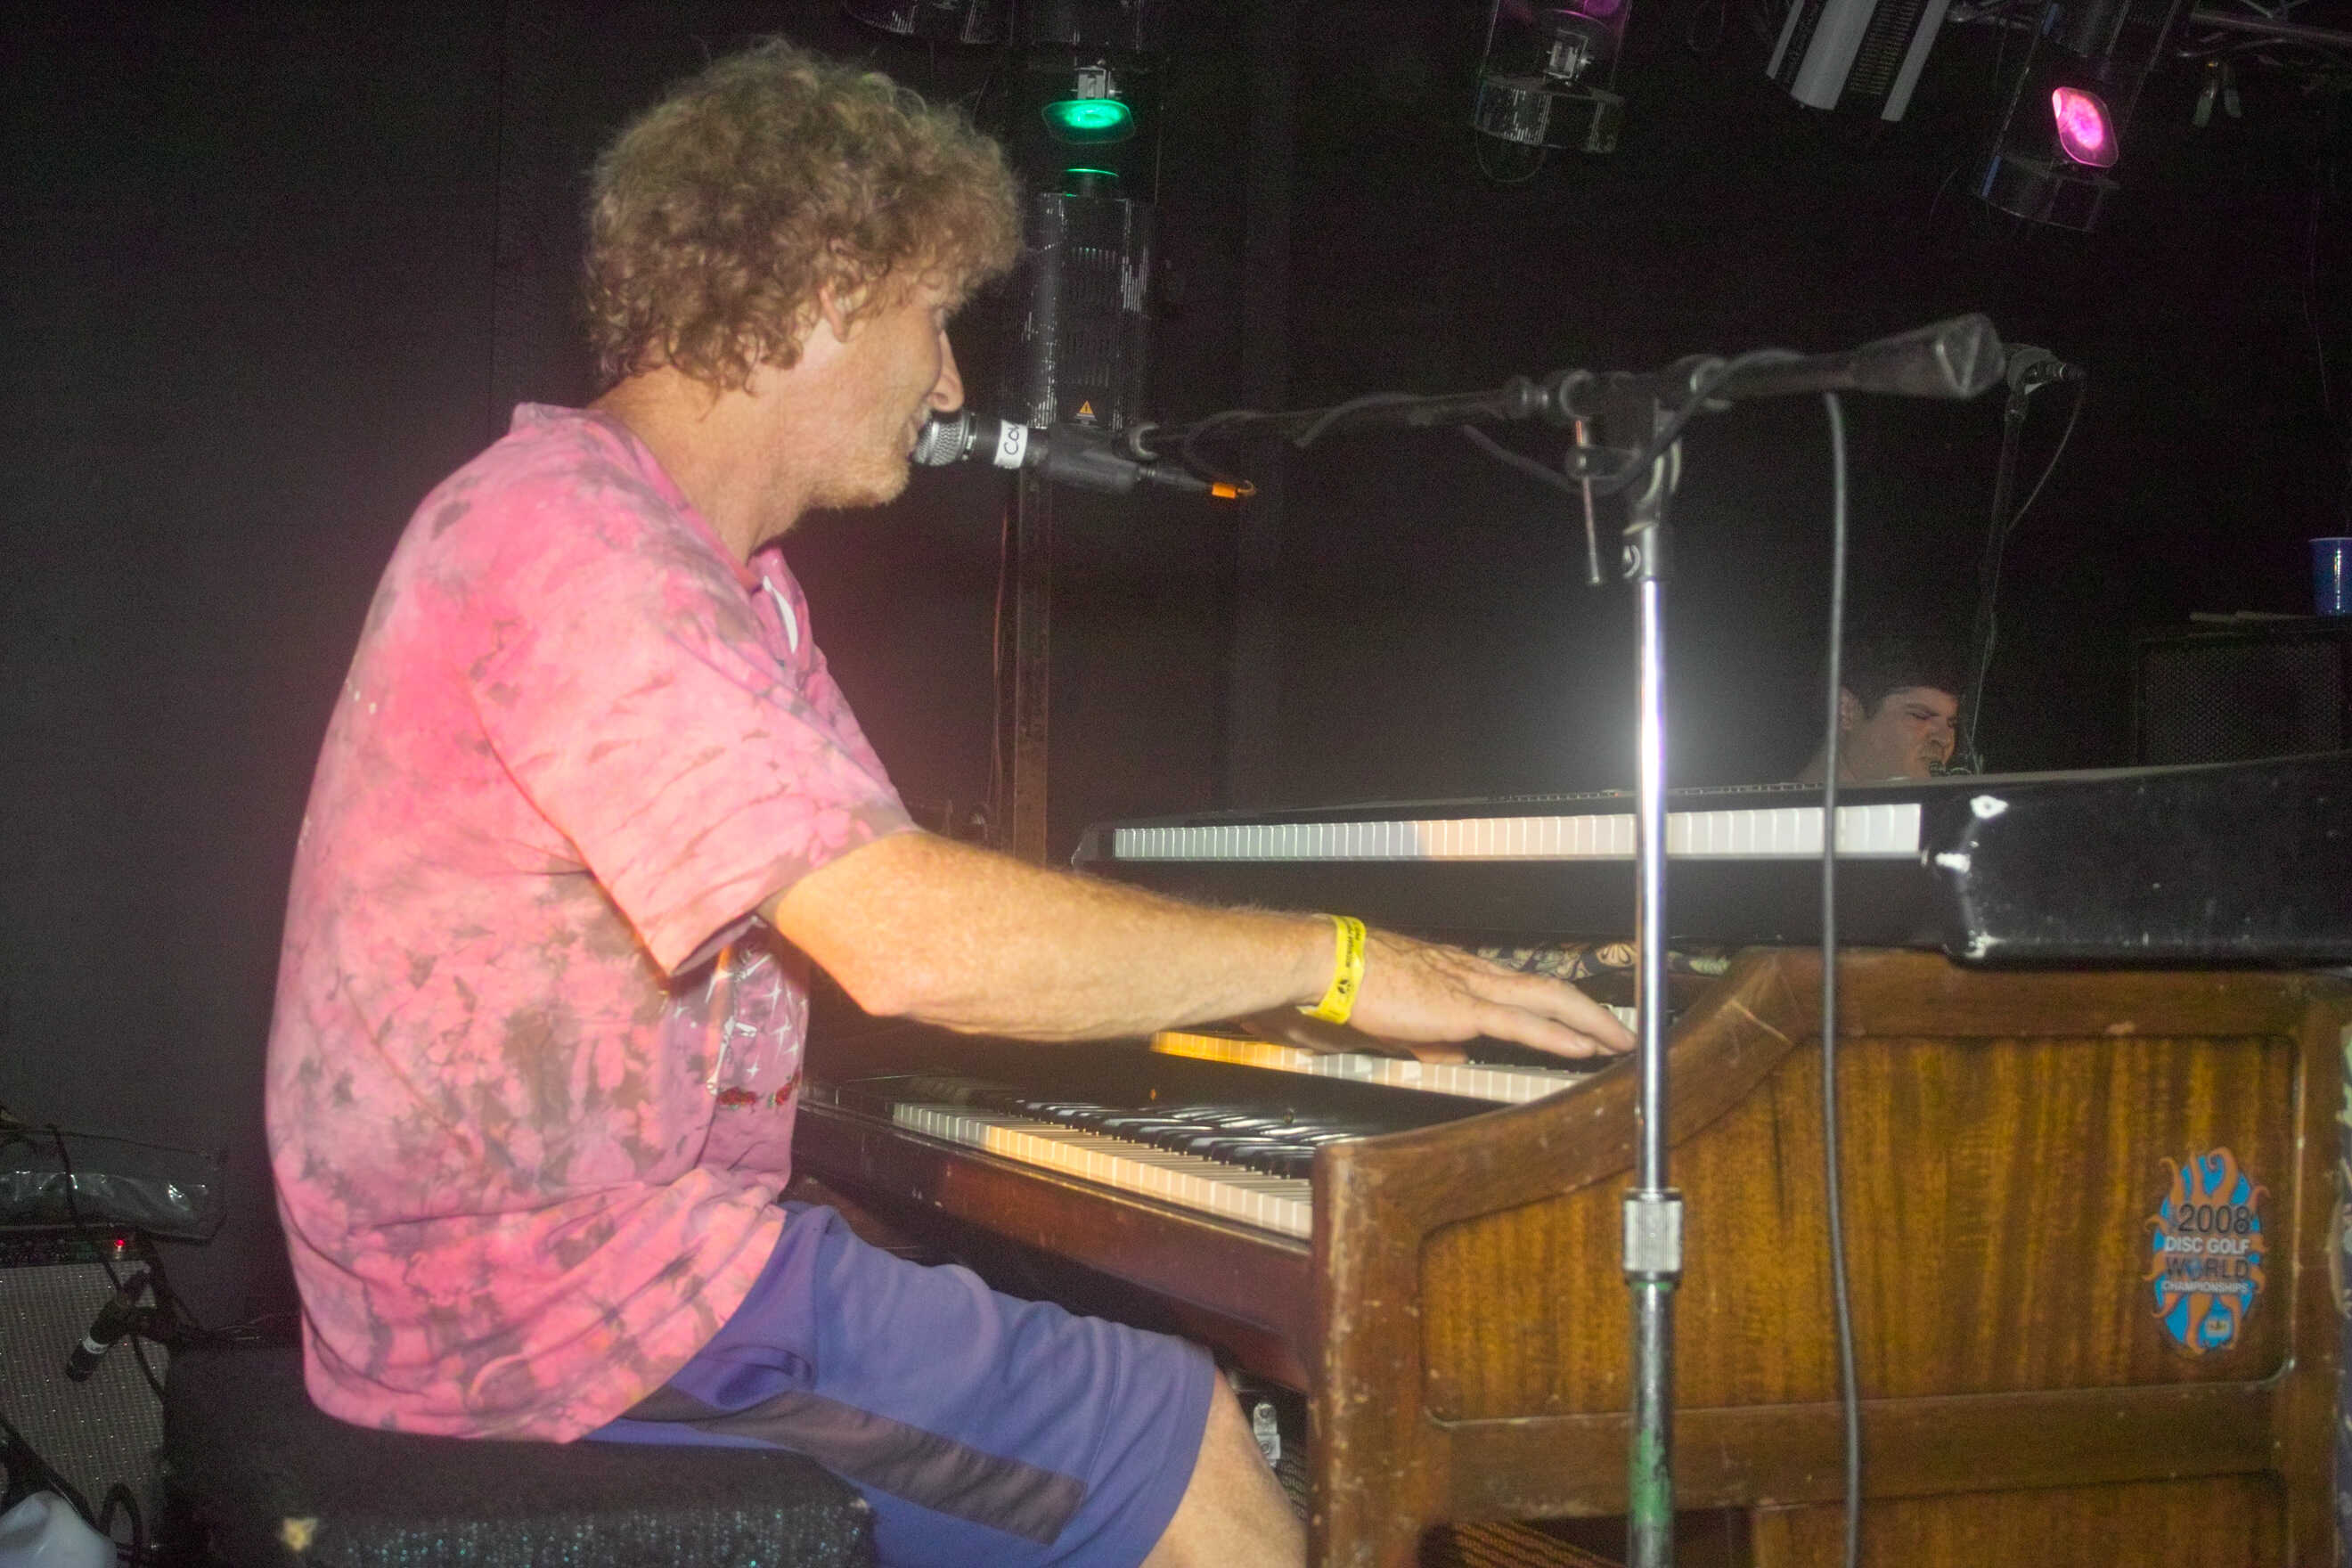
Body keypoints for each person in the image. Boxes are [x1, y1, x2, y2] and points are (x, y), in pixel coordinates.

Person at [263, 39, 1631, 1568]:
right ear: (830, 286)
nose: (954, 383)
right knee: (1177, 1432)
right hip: (554, 1320)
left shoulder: (721, 580)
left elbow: (896, 884)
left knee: (1018, 1313)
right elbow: (910, 940)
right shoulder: (576, 545)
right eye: (935, 319)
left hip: (575, 1280)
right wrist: (1341, 963)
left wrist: (1232, 991)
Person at [1792, 636, 1964, 784]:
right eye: (1920, 716)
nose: (1945, 739)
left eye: (1952, 724)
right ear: (1846, 709)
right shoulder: (1782, 812)